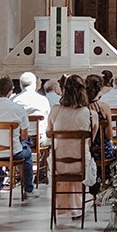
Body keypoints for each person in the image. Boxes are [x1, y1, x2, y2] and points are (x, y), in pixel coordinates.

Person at [48, 75, 98, 220]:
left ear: (64, 90)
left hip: (59, 165)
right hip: (81, 165)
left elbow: (49, 134)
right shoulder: (90, 114)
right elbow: (91, 140)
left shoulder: (55, 111)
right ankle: (79, 205)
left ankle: (66, 205)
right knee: (85, 154)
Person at [0, 76, 36, 200]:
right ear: (10, 92)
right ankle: (28, 189)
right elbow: (24, 136)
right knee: (27, 153)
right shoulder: (18, 109)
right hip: (13, 153)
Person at [85, 75, 115, 189]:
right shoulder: (103, 107)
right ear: (100, 88)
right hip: (101, 151)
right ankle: (106, 182)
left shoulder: (81, 107)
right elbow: (109, 135)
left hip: (85, 150)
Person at [12, 71, 51, 148]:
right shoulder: (43, 100)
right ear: (35, 84)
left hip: (19, 140)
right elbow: (48, 121)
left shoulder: (13, 101)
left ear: (20, 85)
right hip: (38, 140)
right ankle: (43, 160)